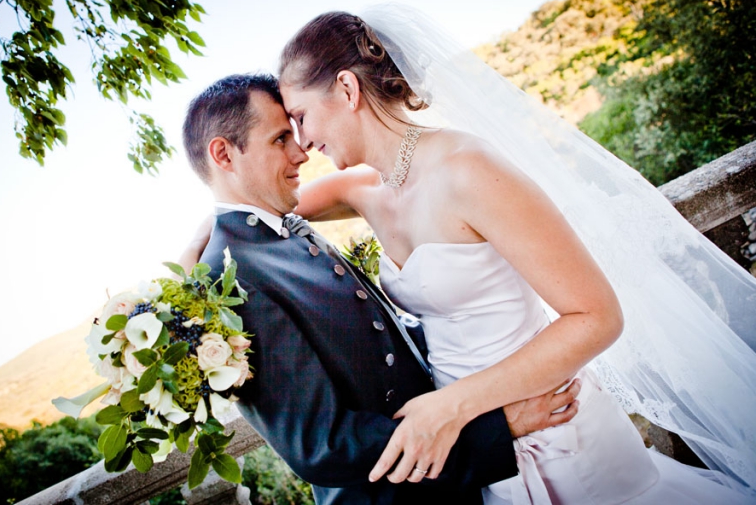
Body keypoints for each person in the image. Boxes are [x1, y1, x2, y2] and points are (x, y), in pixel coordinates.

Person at [272, 6, 756, 504]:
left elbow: (597, 317)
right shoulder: (362, 189)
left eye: (302, 117)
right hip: (490, 451)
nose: (303, 143)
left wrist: (451, 406)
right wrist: (203, 243)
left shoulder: (468, 169)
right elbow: (262, 204)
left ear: (348, 90)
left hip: (561, 434)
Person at [179, 72, 581, 504]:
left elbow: (379, 345)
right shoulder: (229, 280)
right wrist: (497, 429)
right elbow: (323, 445)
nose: (301, 153)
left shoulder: (278, 229)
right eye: (279, 140)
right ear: (223, 154)